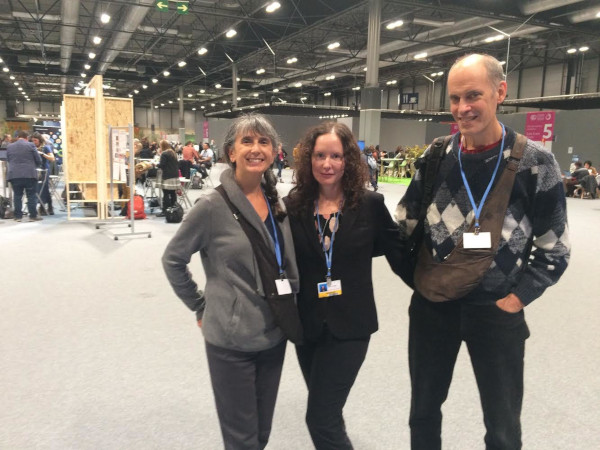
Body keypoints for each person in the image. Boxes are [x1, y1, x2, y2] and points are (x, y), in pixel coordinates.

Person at [395, 53, 570, 450]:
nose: (462, 108)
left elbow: (554, 248)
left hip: (496, 312)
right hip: (433, 309)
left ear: (500, 92)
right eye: (455, 98)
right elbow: (404, 225)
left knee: (503, 424)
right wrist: (417, 282)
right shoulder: (436, 156)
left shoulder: (535, 162)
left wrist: (516, 298)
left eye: (473, 95)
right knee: (423, 413)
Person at [162, 113, 299, 450]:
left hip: (274, 333)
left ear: (275, 151)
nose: (256, 148)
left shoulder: (276, 200)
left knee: (262, 432)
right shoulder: (211, 207)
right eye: (247, 141)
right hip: (231, 340)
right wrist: (199, 305)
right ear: (231, 152)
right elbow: (173, 259)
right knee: (242, 438)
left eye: (264, 141)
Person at [284, 122, 404, 450]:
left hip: (351, 326)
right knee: (329, 411)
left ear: (348, 160)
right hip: (307, 326)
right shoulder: (293, 205)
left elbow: (400, 256)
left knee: (319, 417)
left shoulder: (370, 204)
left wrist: (438, 286)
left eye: (336, 156)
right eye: (320, 155)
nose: (327, 163)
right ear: (308, 160)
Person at [6, 130, 43, 222]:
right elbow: (38, 160)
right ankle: (32, 216)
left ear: (18, 137)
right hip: (29, 174)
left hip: (14, 174)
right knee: (31, 195)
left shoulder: (10, 146)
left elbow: (8, 159)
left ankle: (18, 216)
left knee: (17, 196)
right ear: (27, 138)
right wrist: (36, 165)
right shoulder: (31, 145)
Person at [31, 132, 55, 215]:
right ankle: (42, 206)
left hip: (44, 170)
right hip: (35, 170)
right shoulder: (32, 147)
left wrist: (43, 154)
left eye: (35, 140)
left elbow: (52, 158)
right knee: (37, 188)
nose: (34, 142)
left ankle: (49, 206)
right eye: (33, 140)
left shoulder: (46, 147)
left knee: (45, 188)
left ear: (39, 140)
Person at [154, 140, 179, 217]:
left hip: (167, 176)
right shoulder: (173, 153)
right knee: (173, 193)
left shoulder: (164, 153)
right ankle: (174, 210)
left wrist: (155, 164)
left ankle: (165, 211)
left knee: (166, 193)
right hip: (174, 175)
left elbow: (162, 165)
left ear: (162, 146)